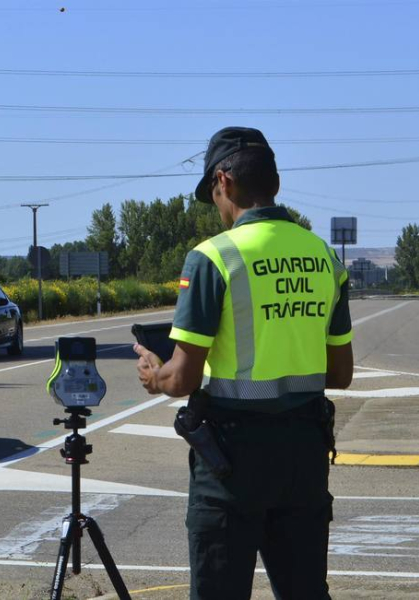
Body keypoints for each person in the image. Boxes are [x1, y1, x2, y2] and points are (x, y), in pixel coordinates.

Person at [134, 127, 354, 600]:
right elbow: (341, 374)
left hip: (231, 462)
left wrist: (155, 373)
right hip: (304, 456)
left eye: (213, 193)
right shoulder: (323, 257)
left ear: (224, 181)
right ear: (273, 183)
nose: (217, 204)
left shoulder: (213, 258)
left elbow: (182, 377)